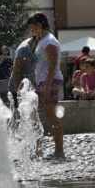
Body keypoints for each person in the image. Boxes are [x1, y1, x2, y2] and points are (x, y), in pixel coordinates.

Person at [27, 13, 65, 159]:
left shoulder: (49, 41)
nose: (32, 31)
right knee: (40, 115)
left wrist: (47, 86)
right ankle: (40, 150)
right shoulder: (43, 40)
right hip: (44, 82)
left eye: (33, 27)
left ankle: (59, 151)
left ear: (40, 25)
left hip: (50, 82)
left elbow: (52, 66)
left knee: (52, 117)